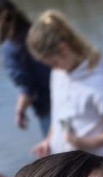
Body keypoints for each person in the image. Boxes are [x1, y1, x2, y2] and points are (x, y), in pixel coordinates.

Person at [26, 9, 103, 158]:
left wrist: (88, 143)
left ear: (64, 49)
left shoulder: (99, 85)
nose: (53, 68)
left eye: (54, 63)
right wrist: (49, 141)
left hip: (90, 169)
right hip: (63, 162)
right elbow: (59, 114)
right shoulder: (59, 73)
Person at [0, 1, 50, 134]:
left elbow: (28, 90)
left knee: (63, 154)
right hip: (66, 99)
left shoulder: (10, 49)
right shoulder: (36, 32)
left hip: (48, 107)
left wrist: (19, 112)